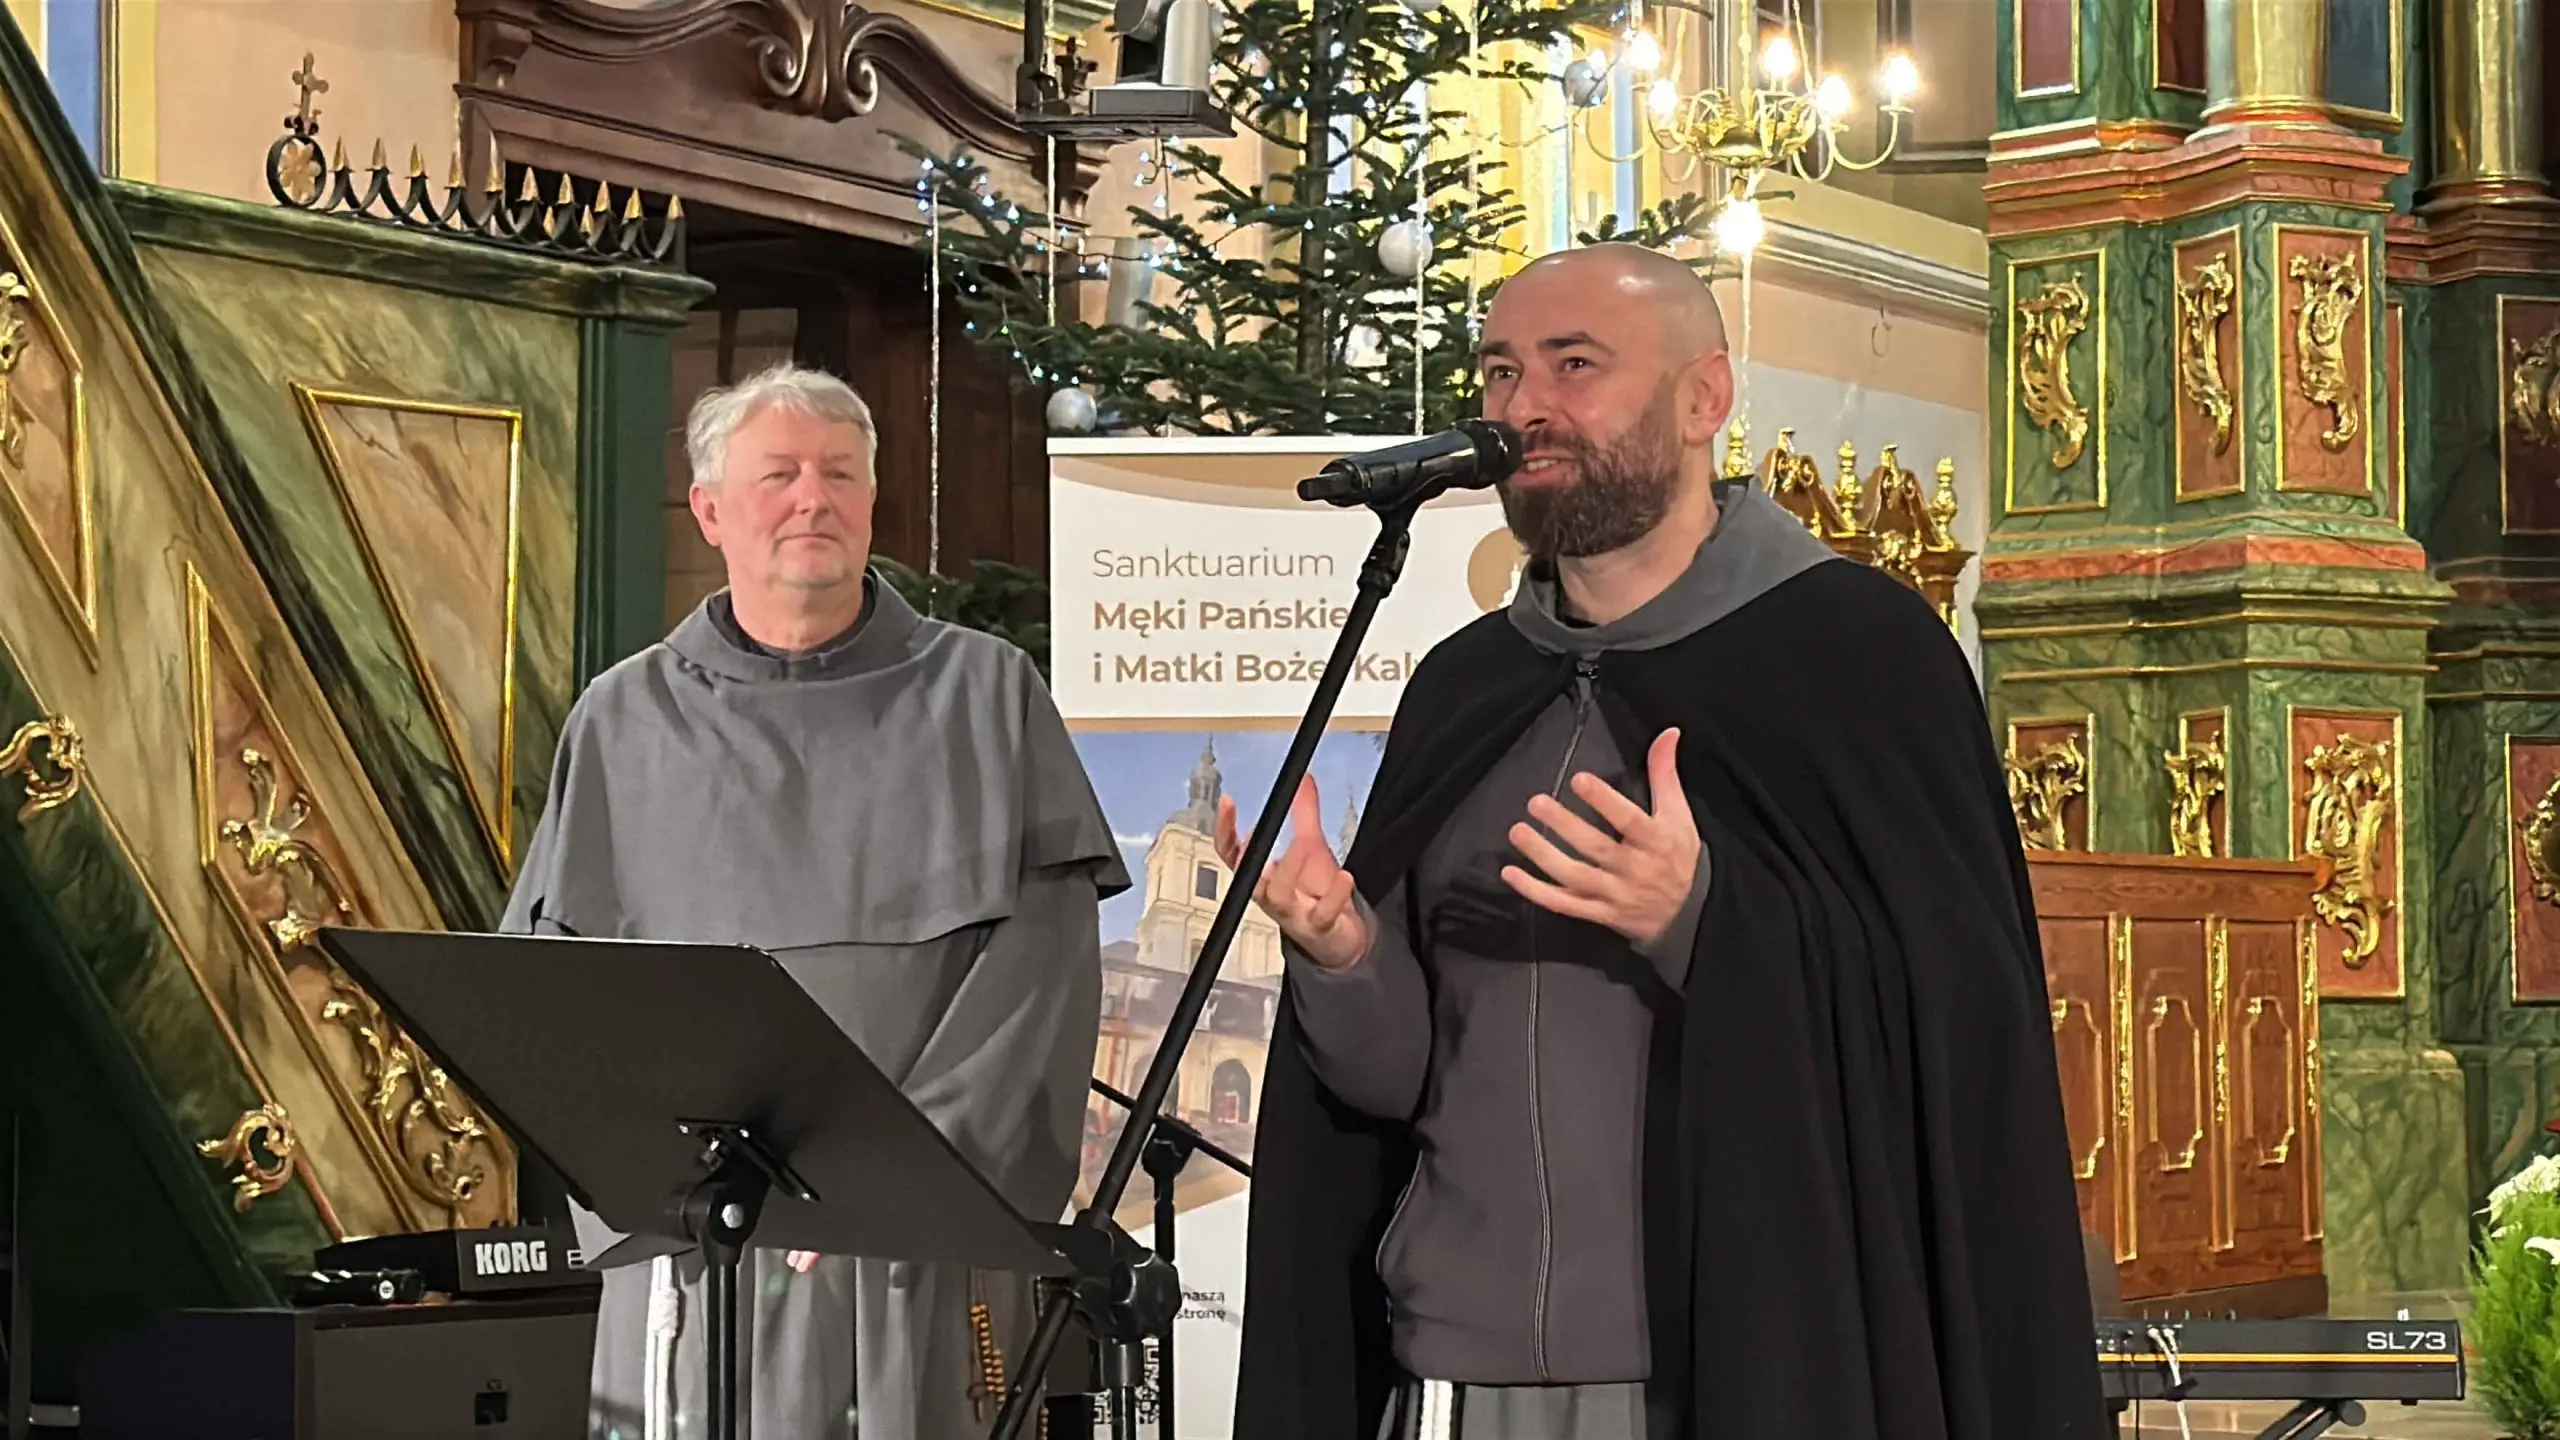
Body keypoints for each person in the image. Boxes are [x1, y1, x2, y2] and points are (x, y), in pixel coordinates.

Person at [1221, 244, 2106, 1439]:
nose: (1523, 406)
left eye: (1574, 365)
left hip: (1737, 1375)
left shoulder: (1858, 655)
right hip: (1456, 1374)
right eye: (1499, 371)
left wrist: (1705, 922)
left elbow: (1955, 1020)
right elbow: (1394, 1086)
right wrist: (1343, 957)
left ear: (1704, 399)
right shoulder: (1465, 687)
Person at [501, 361, 1128, 1439]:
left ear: (873, 500)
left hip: (915, 1239)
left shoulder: (986, 696)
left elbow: (1041, 978)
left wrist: (874, 1179)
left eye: (840, 474)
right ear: (709, 510)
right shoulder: (623, 719)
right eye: (778, 474)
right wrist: (669, 1178)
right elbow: (556, 994)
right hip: (697, 1244)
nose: (813, 499)